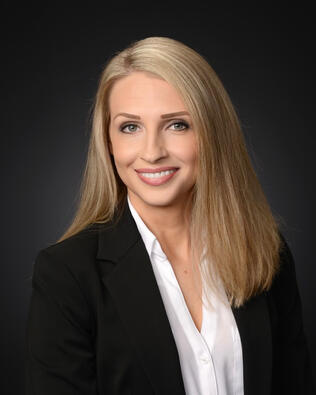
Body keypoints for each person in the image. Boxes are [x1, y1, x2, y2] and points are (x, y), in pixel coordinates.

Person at [25, 36, 315, 395]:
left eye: (177, 124)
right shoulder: (66, 275)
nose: (152, 152)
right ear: (109, 141)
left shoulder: (266, 252)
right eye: (130, 127)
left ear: (212, 133)